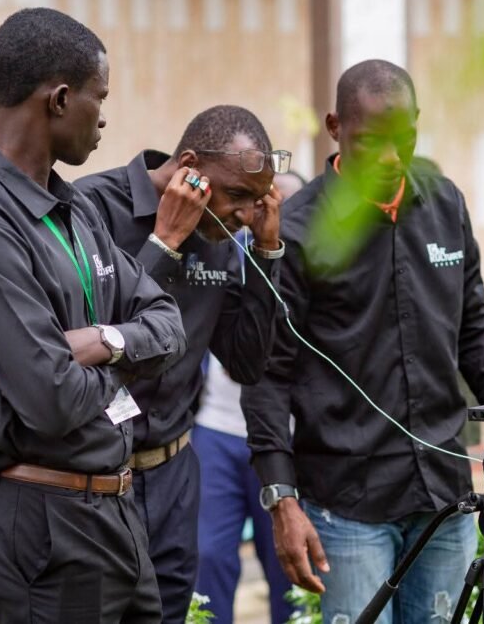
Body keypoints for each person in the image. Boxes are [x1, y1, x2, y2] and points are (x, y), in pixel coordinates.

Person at [0, 7, 187, 623]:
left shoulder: (75, 208)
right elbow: (52, 397)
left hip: (116, 512)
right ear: (62, 99)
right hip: (47, 525)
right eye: (101, 98)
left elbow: (167, 321)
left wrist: (101, 341)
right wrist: (127, 356)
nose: (105, 117)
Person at [243, 60, 484, 624]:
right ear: (335, 127)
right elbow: (268, 374)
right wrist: (281, 499)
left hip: (444, 494)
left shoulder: (445, 204)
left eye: (405, 138)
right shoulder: (296, 231)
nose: (392, 158)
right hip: (348, 506)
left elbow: (475, 327)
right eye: (372, 141)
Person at [75, 105, 286, 624]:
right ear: (189, 167)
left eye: (256, 199)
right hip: (94, 481)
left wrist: (266, 253)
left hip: (172, 474)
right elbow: (87, 343)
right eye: (236, 195)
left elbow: (246, 363)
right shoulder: (91, 208)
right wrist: (164, 242)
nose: (244, 213)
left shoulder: (220, 237)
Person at [193, 169, 307, 624]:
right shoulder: (224, 250)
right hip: (214, 431)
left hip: (285, 439)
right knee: (209, 556)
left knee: (288, 566)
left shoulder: (311, 263)